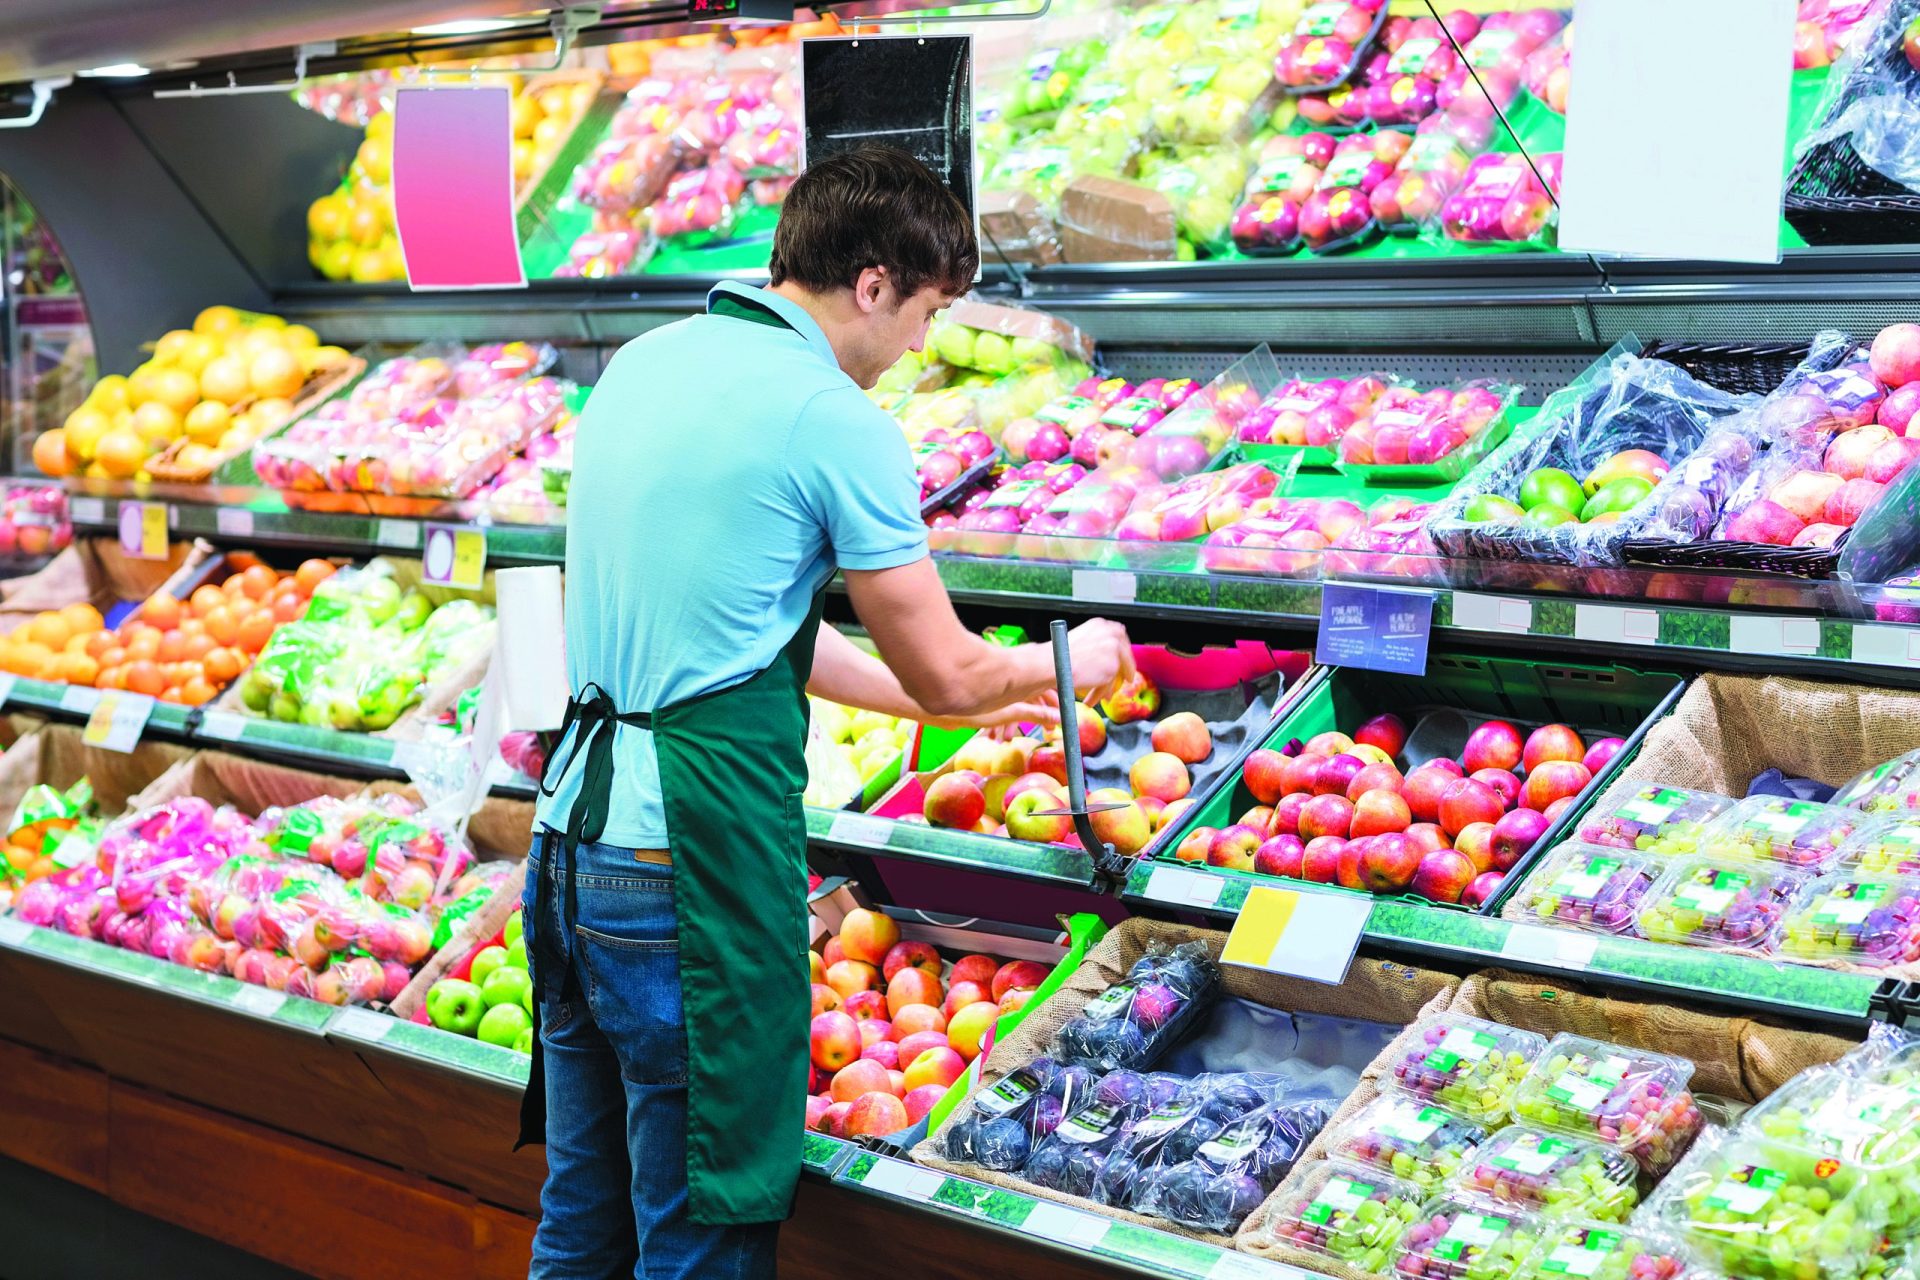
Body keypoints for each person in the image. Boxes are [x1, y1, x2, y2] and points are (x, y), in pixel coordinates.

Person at [522, 145, 1135, 1280]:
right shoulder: (828, 415)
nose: (920, 348)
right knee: (697, 1229)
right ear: (870, 284)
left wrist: (929, 693)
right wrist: (1064, 665)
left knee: (584, 1218)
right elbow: (954, 675)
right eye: (926, 314)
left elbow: (743, 630)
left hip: (571, 850)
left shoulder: (647, 364)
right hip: (682, 872)